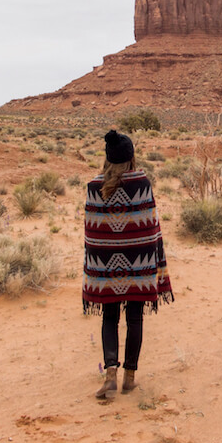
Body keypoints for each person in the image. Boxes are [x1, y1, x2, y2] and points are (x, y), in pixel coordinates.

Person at [83, 129, 174, 398]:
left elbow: (92, 234)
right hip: (139, 263)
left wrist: (99, 262)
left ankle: (110, 374)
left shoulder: (94, 187)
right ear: (131, 158)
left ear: (108, 159)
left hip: (105, 266)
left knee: (109, 317)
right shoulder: (142, 183)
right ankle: (129, 378)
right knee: (135, 317)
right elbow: (151, 227)